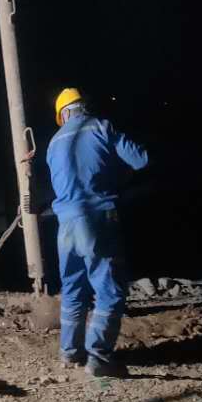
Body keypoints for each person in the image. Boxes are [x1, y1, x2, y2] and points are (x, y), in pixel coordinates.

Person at [46, 88, 148, 377]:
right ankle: (99, 357)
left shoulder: (54, 142)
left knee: (72, 288)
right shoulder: (102, 127)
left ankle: (70, 352)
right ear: (83, 107)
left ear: (63, 115)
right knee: (110, 290)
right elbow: (140, 160)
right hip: (97, 217)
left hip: (65, 225)